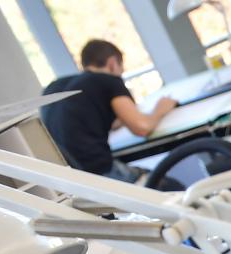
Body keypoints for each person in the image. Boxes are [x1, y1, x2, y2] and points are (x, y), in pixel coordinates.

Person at [40, 39, 177, 182]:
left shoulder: (55, 86)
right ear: (112, 63)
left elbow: (85, 123)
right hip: (100, 173)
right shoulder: (109, 81)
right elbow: (142, 128)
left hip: (68, 178)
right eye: (121, 70)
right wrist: (160, 110)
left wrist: (123, 119)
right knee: (171, 185)